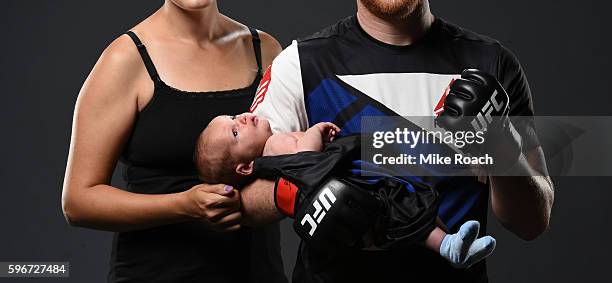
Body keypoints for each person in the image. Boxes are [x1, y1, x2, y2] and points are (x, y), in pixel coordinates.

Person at [240, 0, 554, 282]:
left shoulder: (490, 63)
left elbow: (533, 221)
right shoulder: (300, 64)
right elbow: (245, 199)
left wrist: (500, 144)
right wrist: (306, 197)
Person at [61, 0, 286, 282]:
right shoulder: (127, 60)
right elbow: (78, 201)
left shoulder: (265, 50)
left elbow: (299, 155)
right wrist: (183, 204)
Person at [194, 112, 496, 269]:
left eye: (233, 117)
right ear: (245, 168)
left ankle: (452, 244)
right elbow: (308, 162)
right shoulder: (274, 147)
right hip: (355, 192)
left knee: (411, 212)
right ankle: (449, 246)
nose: (243, 118)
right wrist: (316, 132)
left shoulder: (269, 149)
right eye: (235, 131)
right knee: (404, 213)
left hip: (355, 189)